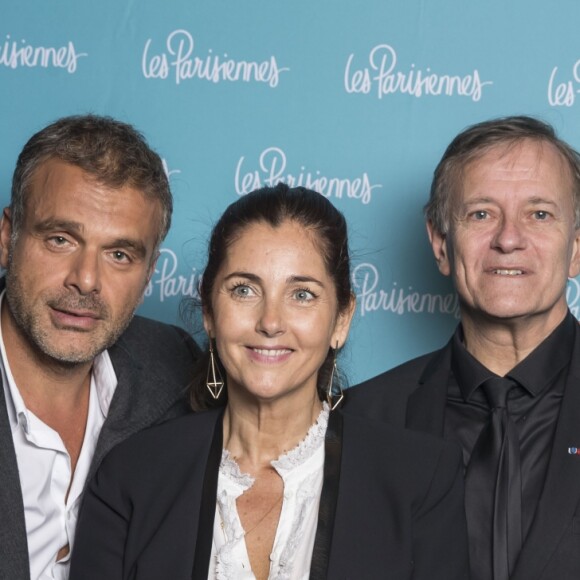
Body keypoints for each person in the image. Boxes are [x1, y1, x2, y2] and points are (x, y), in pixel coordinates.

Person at [69, 183, 469, 580]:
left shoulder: (421, 477)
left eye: (302, 295)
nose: (270, 322)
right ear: (209, 311)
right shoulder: (131, 474)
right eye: (244, 290)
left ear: (342, 319)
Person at [345, 115, 580, 580]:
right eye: (481, 214)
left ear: (576, 246)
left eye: (539, 214)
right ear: (439, 243)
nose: (509, 239)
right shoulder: (362, 421)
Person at [0, 115, 200, 580]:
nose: (86, 280)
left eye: (119, 255)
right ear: (7, 237)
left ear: (150, 273)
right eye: (60, 239)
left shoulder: (173, 364)